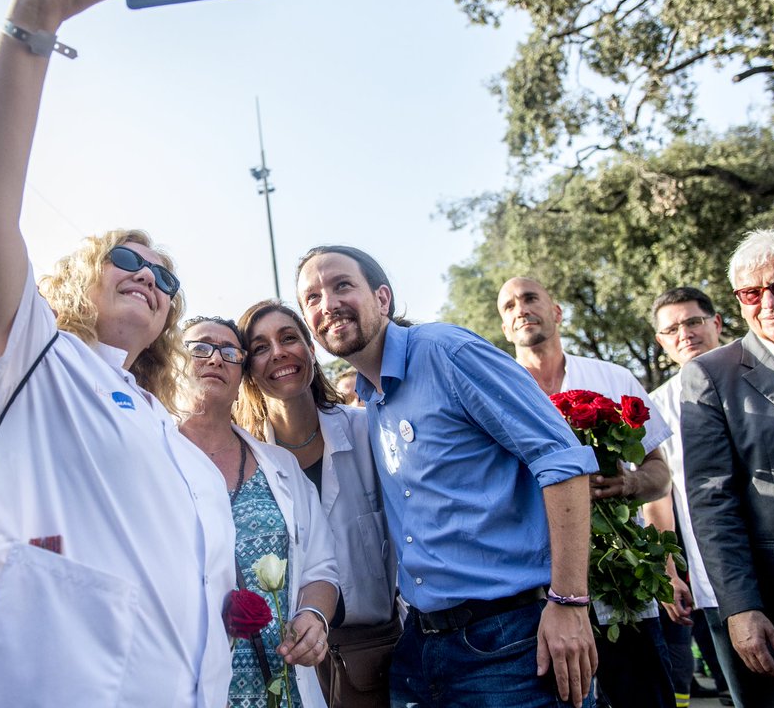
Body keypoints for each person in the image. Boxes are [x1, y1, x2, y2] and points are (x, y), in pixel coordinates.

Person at [0, 0, 234, 705]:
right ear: (83, 274)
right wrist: (35, 17)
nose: (149, 278)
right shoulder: (30, 362)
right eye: (127, 258)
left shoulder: (173, 440)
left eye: (166, 279)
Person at [296, 245, 598, 708]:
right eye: (312, 298)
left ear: (382, 298)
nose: (328, 304)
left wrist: (570, 603)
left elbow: (562, 461)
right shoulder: (370, 401)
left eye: (341, 285)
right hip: (424, 647)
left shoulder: (446, 352)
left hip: (514, 642)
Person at [497, 276, 675, 708]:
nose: (521, 309)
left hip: (622, 584)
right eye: (509, 306)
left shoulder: (612, 378)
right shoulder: (497, 392)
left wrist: (629, 483)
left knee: (645, 697)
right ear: (504, 327)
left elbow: (660, 475)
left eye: (531, 298)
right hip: (538, 595)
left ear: (557, 311)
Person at [680, 228, 774, 707]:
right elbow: (712, 503)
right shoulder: (711, 376)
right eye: (751, 292)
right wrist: (741, 608)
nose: (768, 302)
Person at [235, 300, 397, 706]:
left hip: (379, 658)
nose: (278, 353)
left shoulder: (367, 433)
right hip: (288, 665)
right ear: (248, 368)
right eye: (260, 347)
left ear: (311, 348)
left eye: (289, 338)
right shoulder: (246, 461)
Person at [179, 316, 338, 707]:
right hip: (185, 686)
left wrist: (314, 617)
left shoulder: (280, 466)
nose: (215, 359)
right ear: (171, 363)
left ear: (241, 379)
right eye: (199, 349)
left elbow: (321, 567)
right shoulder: (148, 457)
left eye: (230, 353)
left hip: (283, 685)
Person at [646, 287, 737, 705]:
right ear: (661, 341)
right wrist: (669, 571)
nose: (685, 333)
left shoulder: (759, 376)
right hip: (718, 576)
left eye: (693, 321)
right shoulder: (656, 407)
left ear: (716, 322)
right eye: (672, 328)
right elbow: (660, 495)